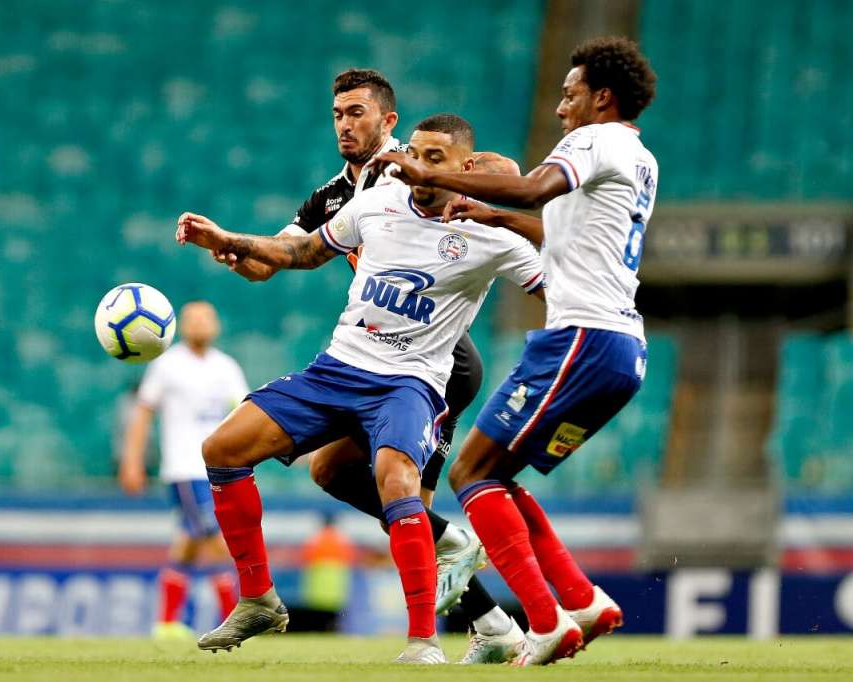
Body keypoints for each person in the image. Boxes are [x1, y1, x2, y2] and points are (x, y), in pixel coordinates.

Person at [176, 113, 545, 663]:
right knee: (224, 449)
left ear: (467, 168)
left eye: (435, 157)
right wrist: (228, 239)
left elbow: (560, 290)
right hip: (339, 369)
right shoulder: (371, 202)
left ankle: (424, 641)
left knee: (396, 481)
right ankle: (259, 597)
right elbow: (297, 254)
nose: (417, 164)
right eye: (415, 153)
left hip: (413, 381)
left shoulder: (491, 235)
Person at [378, 36, 658, 666]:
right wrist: (493, 217)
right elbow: (565, 232)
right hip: (620, 350)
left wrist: (426, 171)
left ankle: (544, 620)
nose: (562, 109)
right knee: (494, 475)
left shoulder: (593, 139)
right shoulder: (639, 156)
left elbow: (534, 190)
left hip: (580, 339)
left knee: (469, 473)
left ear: (602, 98)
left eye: (570, 94)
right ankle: (582, 600)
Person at [119, 301, 249, 638]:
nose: (199, 324)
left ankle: (165, 623)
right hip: (185, 467)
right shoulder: (167, 365)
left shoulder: (226, 367)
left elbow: (244, 412)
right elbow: (144, 411)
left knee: (189, 543)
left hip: (217, 469)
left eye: (206, 317)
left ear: (216, 325)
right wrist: (132, 460)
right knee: (214, 537)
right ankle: (234, 616)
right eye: (192, 319)